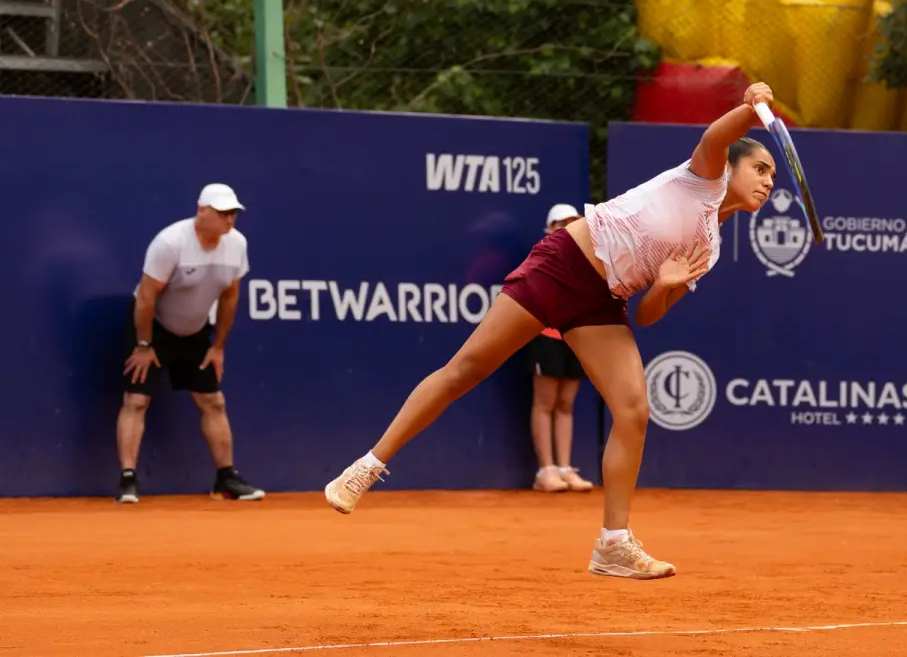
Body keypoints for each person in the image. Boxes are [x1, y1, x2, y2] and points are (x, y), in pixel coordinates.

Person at [325, 83, 779, 580]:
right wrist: (749, 108)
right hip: (564, 264)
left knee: (633, 410)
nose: (767, 182)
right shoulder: (703, 179)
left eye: (772, 176)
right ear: (730, 165)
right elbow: (717, 135)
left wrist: (666, 286)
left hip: (604, 300)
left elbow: (649, 316)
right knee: (465, 370)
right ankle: (366, 466)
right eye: (760, 168)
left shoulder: (710, 246)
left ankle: (613, 544)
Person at [115, 183, 265, 505]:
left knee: (213, 402)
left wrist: (218, 346)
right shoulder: (171, 243)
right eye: (223, 213)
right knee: (137, 400)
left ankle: (225, 479)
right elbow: (146, 296)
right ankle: (128, 479)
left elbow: (230, 296)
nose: (229, 221)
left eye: (233, 214)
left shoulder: (236, 244)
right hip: (152, 327)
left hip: (196, 329)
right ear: (202, 211)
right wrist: (144, 344)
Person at [528, 203, 594, 493]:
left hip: (575, 337)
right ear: (550, 228)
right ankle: (546, 470)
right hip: (546, 336)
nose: (567, 228)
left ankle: (565, 468)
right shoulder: (541, 256)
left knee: (566, 403)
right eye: (561, 224)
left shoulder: (585, 258)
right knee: (545, 403)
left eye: (573, 222)